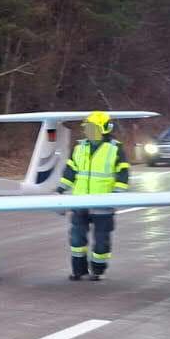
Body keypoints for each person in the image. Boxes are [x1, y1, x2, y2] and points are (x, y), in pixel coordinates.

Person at [59, 110, 130, 281]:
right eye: (88, 128)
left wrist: (117, 193)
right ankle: (78, 270)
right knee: (76, 239)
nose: (89, 131)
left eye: (94, 128)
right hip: (80, 202)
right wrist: (61, 189)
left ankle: (98, 270)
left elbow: (123, 172)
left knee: (101, 241)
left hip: (102, 203)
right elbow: (71, 170)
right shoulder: (79, 147)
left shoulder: (115, 148)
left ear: (105, 129)